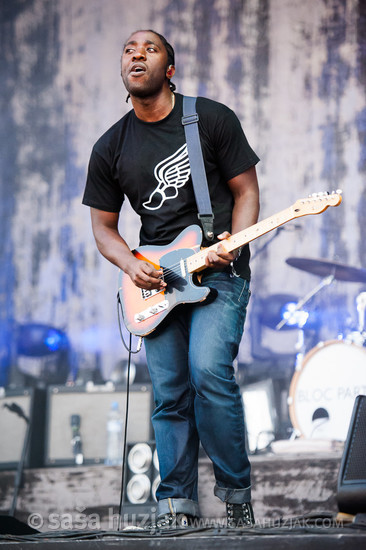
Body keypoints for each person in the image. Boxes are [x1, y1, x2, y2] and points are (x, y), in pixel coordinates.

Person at [82, 29, 260, 529]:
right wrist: (128, 263)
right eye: (128, 50)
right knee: (169, 392)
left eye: (150, 49)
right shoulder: (111, 145)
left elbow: (246, 191)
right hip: (158, 280)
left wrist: (236, 243)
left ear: (170, 69)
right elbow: (103, 227)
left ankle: (236, 495)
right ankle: (176, 505)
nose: (137, 54)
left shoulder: (209, 119)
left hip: (219, 274)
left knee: (208, 373)